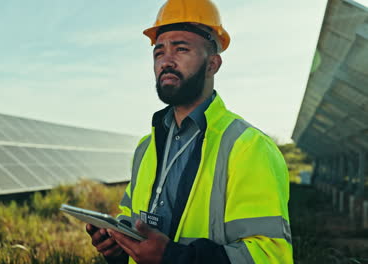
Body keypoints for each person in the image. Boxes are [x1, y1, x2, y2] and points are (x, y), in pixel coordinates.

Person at [86, 0, 293, 263]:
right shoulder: (145, 148)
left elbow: (269, 255)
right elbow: (132, 218)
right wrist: (118, 244)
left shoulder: (249, 147)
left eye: (181, 49)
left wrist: (171, 258)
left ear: (212, 65)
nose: (166, 61)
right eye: (158, 52)